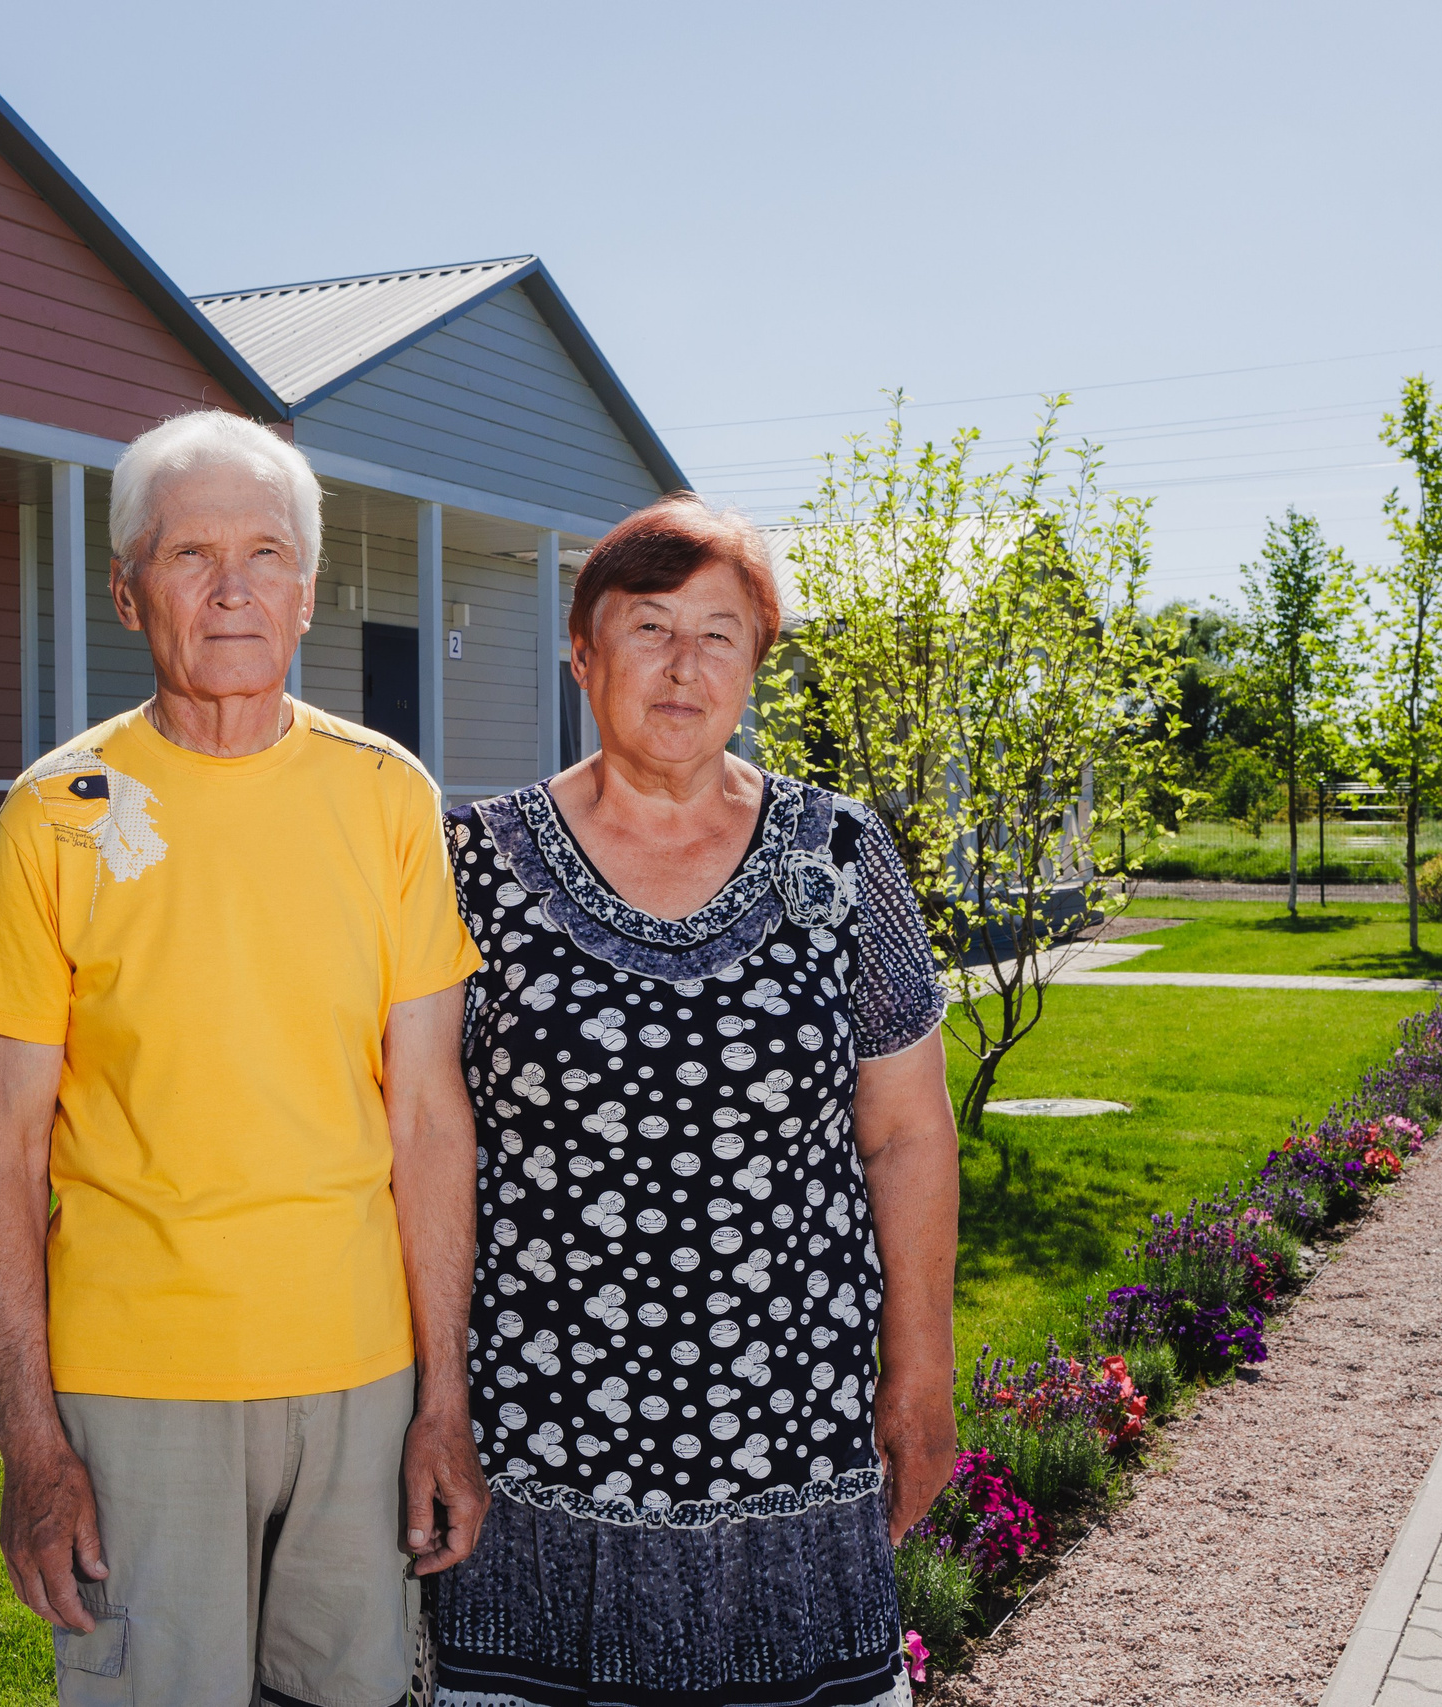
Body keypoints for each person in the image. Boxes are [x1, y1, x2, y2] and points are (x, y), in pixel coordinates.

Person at [0, 410, 490, 1707]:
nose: (234, 586)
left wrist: (443, 1401)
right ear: (130, 591)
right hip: (135, 1383)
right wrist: (32, 1437)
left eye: (265, 552)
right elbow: (2, 1151)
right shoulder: (54, 815)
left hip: (361, 1373)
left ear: (309, 590)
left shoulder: (388, 796)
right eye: (192, 555)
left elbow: (428, 1119)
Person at [429, 495, 961, 1707]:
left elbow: (907, 1134)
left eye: (720, 633)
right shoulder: (471, 863)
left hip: (792, 1423)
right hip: (540, 1433)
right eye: (649, 627)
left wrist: (918, 1372)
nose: (683, 665)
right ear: (582, 652)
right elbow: (426, 1143)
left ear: (756, 664)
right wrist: (435, 1400)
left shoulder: (840, 854)